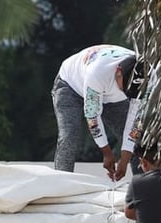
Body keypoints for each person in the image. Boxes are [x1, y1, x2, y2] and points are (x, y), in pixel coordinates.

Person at [51, 44, 150, 177]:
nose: (128, 94)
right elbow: (92, 117)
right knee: (70, 135)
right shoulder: (97, 73)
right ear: (118, 72)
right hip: (71, 86)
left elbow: (135, 123)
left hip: (110, 96)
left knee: (138, 142)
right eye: (126, 88)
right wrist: (107, 153)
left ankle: (142, 185)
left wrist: (124, 160)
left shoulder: (150, 76)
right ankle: (62, 182)